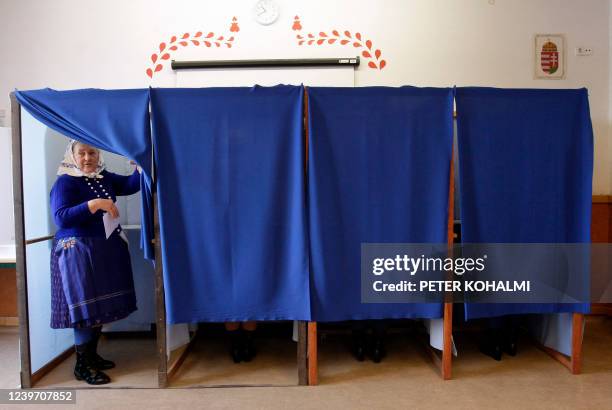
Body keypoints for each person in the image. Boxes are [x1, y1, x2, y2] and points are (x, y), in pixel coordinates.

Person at [49, 140, 141, 385]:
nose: (87, 158)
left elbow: (131, 185)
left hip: (102, 248)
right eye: (82, 153)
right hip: (76, 252)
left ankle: (91, 356)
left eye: (92, 153)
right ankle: (82, 365)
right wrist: (95, 204)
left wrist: (139, 167)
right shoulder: (65, 182)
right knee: (85, 308)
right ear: (72, 155)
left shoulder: (103, 177)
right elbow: (61, 217)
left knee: (98, 307)